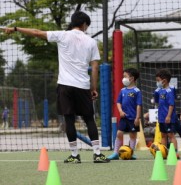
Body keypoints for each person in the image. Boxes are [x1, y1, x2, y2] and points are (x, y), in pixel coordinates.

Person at [3, 11, 110, 163]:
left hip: (65, 85)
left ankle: (74, 155)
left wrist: (15, 29)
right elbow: (94, 68)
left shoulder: (62, 35)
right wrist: (93, 88)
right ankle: (98, 154)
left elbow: (36, 32)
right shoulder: (91, 42)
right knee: (89, 119)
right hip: (82, 85)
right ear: (84, 24)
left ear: (73, 22)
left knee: (69, 120)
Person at [108, 68, 142, 160]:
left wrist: (137, 118)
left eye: (125, 76)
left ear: (131, 78)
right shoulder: (123, 90)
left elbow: (139, 105)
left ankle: (131, 152)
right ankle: (115, 152)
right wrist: (120, 111)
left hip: (133, 118)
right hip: (124, 117)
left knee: (132, 135)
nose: (123, 79)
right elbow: (118, 102)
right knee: (119, 133)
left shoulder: (137, 91)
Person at [153, 87, 181, 152]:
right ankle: (165, 151)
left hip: (171, 115)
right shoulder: (157, 91)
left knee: (178, 129)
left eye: (159, 80)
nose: (158, 82)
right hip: (164, 115)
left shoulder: (172, 89)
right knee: (166, 134)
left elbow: (172, 102)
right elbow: (157, 102)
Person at [155, 69, 180, 158]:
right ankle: (163, 151)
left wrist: (168, 116)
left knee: (171, 135)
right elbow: (158, 102)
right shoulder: (159, 91)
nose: (157, 83)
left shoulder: (170, 91)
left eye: (158, 81)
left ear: (164, 81)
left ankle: (175, 152)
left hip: (168, 118)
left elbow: (171, 105)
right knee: (163, 135)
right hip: (161, 118)